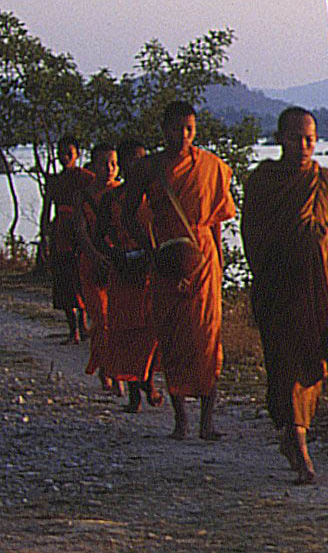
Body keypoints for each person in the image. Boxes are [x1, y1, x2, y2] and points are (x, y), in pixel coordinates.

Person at [241, 106, 328, 484]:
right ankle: (300, 445)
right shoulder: (263, 181)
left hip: (317, 288)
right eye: (296, 138)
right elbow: (251, 232)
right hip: (278, 286)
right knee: (285, 365)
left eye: (310, 139)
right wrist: (272, 264)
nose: (304, 146)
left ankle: (294, 435)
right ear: (280, 139)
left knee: (309, 364)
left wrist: (327, 240)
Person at [123, 101, 236, 440]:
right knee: (172, 337)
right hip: (166, 258)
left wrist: (217, 262)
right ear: (164, 130)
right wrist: (152, 251)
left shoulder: (211, 166)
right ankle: (181, 420)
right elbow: (129, 215)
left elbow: (215, 220)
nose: (183, 136)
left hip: (203, 258)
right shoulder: (147, 168)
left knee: (207, 338)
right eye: (176, 129)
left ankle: (207, 422)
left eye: (189, 129)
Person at [96, 139, 163, 413]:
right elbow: (100, 236)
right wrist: (116, 255)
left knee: (154, 329)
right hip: (124, 270)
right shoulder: (112, 198)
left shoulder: (156, 196)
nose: (137, 165)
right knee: (127, 331)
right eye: (132, 160)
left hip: (152, 268)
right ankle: (135, 393)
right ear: (123, 164)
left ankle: (149, 379)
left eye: (142, 159)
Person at [74, 143, 122, 394]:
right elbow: (80, 231)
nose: (110, 169)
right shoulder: (83, 196)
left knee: (117, 320)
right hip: (91, 263)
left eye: (113, 163)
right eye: (104, 163)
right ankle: (107, 370)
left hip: (118, 262)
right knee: (101, 319)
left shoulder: (123, 192)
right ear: (93, 166)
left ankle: (114, 369)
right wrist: (94, 256)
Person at [40, 135, 94, 344]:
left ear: (77, 154)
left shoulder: (87, 178)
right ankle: (73, 330)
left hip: (82, 232)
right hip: (61, 234)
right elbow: (46, 211)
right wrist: (44, 237)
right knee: (64, 281)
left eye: (69, 153)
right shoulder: (55, 181)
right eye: (61, 153)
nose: (65, 157)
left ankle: (84, 325)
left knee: (82, 279)